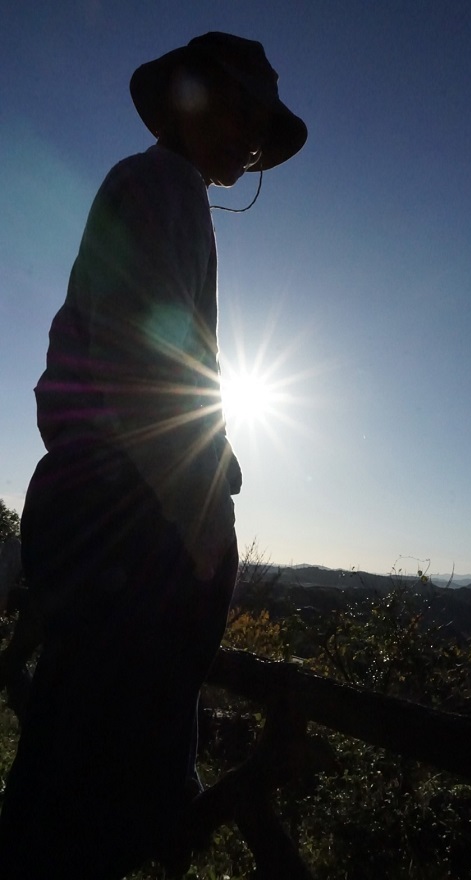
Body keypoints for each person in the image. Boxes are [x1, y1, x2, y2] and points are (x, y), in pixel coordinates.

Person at [0, 32, 306, 880]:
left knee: (76, 748)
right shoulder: (159, 186)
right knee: (102, 772)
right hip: (129, 509)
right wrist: (199, 510)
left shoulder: (154, 189)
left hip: (103, 498)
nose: (250, 140)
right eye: (242, 113)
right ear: (190, 101)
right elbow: (147, 363)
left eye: (258, 127)